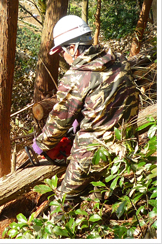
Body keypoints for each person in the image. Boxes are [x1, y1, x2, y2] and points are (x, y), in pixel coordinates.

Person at [32, 15, 139, 207]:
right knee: (103, 196)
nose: (62, 57)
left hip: (93, 152)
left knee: (63, 203)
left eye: (62, 52)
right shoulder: (119, 60)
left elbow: (58, 123)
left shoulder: (76, 76)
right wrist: (78, 123)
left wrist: (39, 146)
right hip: (128, 143)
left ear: (72, 48)